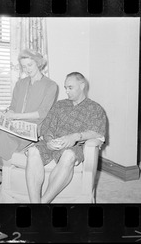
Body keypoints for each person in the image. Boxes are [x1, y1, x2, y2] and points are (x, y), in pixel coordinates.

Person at [0, 49, 58, 198]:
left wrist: (16, 116)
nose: (27, 69)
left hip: (32, 129)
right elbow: (13, 107)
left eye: (30, 65)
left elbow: (42, 113)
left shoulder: (51, 85)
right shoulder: (20, 84)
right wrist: (6, 114)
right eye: (24, 66)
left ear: (39, 63)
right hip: (14, 126)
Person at [25, 72, 107, 203]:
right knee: (33, 151)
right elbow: (47, 125)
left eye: (70, 87)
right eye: (65, 87)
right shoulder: (60, 104)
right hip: (52, 142)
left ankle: (43, 204)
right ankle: (35, 204)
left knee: (68, 155)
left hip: (73, 146)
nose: (67, 91)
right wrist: (49, 140)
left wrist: (75, 136)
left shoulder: (95, 108)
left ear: (82, 85)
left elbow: (97, 132)